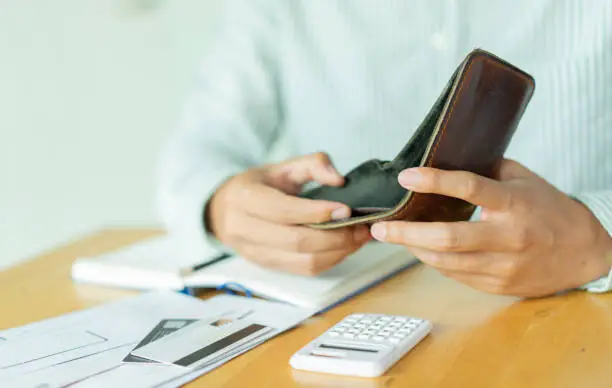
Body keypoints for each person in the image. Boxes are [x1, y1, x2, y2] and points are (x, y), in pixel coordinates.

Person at [156, 0, 612, 297]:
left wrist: (599, 238)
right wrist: (222, 204)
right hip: (340, 309)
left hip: (574, 313)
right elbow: (198, 153)